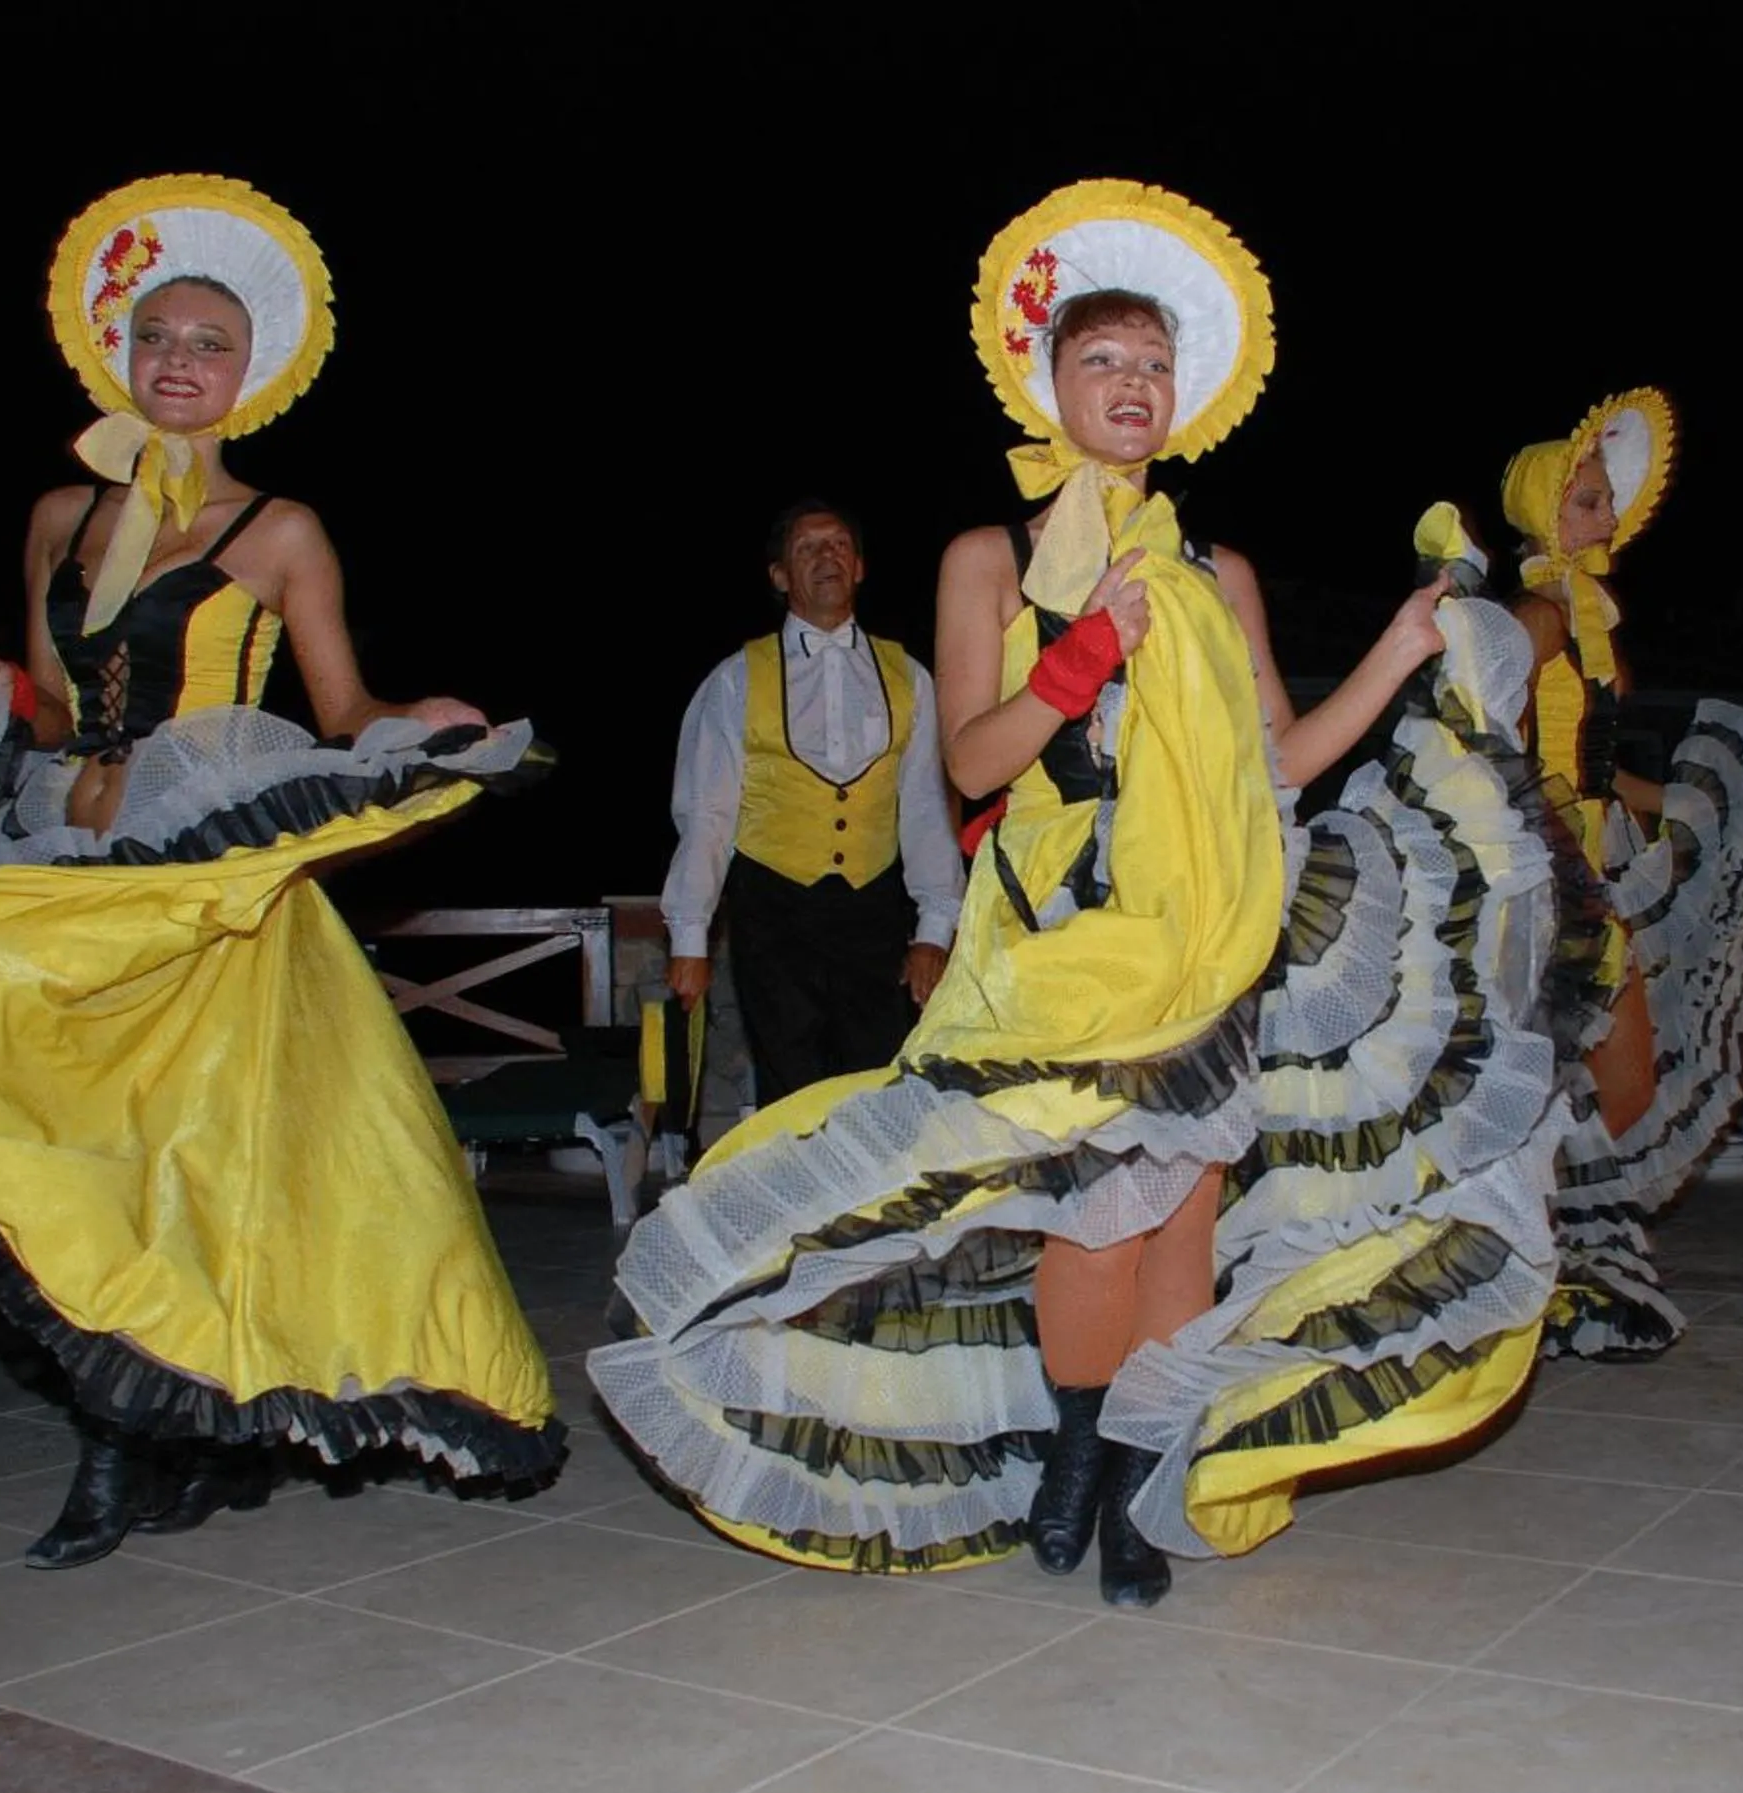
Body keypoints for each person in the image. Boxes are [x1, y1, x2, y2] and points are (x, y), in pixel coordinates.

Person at [594, 181, 1582, 1607]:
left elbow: (1278, 760)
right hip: (1059, 928)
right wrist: (1084, 653)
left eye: (1155, 365)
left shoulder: (1216, 566)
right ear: (1048, 384)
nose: (1133, 385)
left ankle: (1139, 1470)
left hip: (1212, 921)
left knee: (1182, 1215)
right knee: (1092, 1211)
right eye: (1103, 361)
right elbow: (974, 760)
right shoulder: (988, 558)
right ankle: (1072, 1444)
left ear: (1191, 397)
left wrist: (1393, 649)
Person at [0, 174, 564, 1571]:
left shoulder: (278, 532)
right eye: (160, 340)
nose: (182, 364)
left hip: (201, 891)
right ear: (119, 356)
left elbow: (338, 707)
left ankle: (134, 1453)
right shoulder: (58, 518)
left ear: (247, 373)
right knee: (64, 1145)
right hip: (65, 857)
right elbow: (38, 691)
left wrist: (421, 731)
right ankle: (154, 1440)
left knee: (196, 1177)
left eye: (210, 345)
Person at [1499, 395, 1743, 1358]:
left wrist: (1702, 809)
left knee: (1621, 1084)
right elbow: (1476, 733)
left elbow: (1596, 761)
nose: (1604, 516)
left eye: (1606, 502)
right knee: (1559, 1080)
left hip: (1599, 851)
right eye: (1584, 501)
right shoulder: (1533, 616)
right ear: (1543, 507)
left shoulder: (1593, 625)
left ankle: (1560, 1263)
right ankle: (1526, 1267)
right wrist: (1537, 827)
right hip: (1541, 866)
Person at [661, 502, 964, 1105]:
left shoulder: (910, 674)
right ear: (779, 576)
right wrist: (689, 939)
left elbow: (928, 807)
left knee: (879, 1084)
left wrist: (934, 928)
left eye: (839, 546)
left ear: (859, 567)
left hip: (874, 914)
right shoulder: (735, 678)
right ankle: (796, 1201)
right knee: (789, 1089)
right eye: (808, 548)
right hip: (773, 913)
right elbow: (707, 815)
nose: (827, 557)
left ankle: (872, 1202)